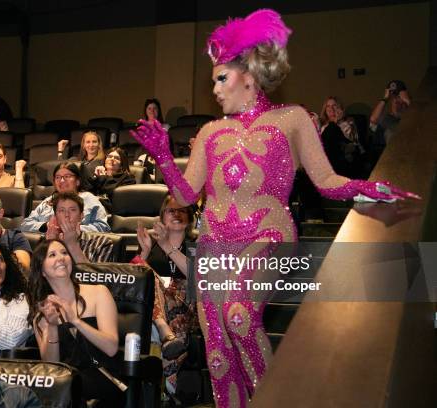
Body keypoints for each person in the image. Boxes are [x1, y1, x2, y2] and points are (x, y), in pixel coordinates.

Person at [130, 9, 418, 407]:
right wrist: (164, 158)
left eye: (220, 78)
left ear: (248, 74)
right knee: (216, 356)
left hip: (268, 235)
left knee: (239, 315)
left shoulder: (293, 119)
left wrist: (369, 187)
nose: (213, 89)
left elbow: (327, 181)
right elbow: (182, 198)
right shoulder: (210, 133)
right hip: (215, 243)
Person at [27, 239, 123, 406]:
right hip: (66, 381)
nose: (61, 258)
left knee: (68, 387)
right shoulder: (42, 314)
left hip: (105, 375)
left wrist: (76, 321)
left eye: (64, 253)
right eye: (52, 255)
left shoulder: (98, 292)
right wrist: (52, 326)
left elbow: (111, 347)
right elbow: (51, 365)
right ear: (42, 270)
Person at [132, 195, 198, 393]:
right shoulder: (150, 245)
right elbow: (132, 282)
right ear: (162, 216)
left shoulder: (196, 244)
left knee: (152, 278)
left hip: (187, 307)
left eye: (182, 210)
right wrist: (144, 253)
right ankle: (168, 377)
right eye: (171, 210)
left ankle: (163, 333)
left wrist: (167, 247)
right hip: (155, 309)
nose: (176, 214)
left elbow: (198, 277)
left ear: (190, 218)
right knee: (146, 277)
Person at [20, 161, 110, 233]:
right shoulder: (48, 201)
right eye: (58, 177)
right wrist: (46, 226)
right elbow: (25, 224)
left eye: (67, 176)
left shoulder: (89, 199)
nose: (62, 180)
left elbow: (103, 227)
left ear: (78, 181)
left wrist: (72, 229)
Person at [46, 192, 114, 263]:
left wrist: (72, 244)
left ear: (81, 216)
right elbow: (37, 272)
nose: (67, 215)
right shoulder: (47, 240)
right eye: (62, 210)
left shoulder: (102, 243)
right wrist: (50, 245)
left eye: (72, 210)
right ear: (55, 216)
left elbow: (94, 274)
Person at [368, 80, 411, 163]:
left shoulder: (411, 117)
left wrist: (407, 101)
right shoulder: (385, 118)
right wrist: (385, 98)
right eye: (395, 98)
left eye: (400, 98)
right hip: (390, 162)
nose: (398, 102)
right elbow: (373, 119)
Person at [319, 97, 364, 177]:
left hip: (342, 162)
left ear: (340, 109)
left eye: (334, 106)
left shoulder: (347, 123)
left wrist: (336, 122)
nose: (331, 109)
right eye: (328, 106)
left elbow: (348, 143)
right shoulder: (323, 126)